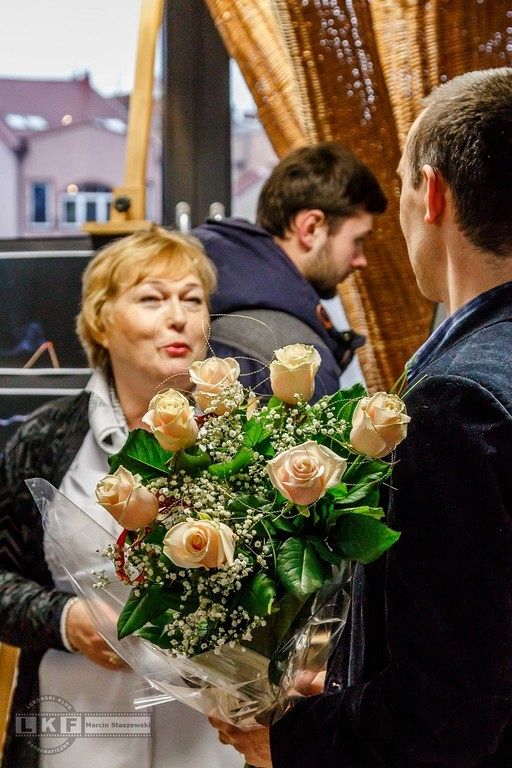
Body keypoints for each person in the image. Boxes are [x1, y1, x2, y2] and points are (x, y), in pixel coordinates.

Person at [210, 67, 512, 767]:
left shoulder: (455, 403)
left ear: (432, 193)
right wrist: (355, 670)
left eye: (403, 183)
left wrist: (290, 739)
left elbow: (447, 710)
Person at [0, 227, 240, 768]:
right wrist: (66, 619)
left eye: (192, 299)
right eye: (152, 298)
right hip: (76, 734)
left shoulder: (244, 440)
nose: (178, 317)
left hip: (209, 742)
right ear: (101, 320)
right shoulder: (45, 441)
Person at [193, 141, 387, 398]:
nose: (361, 260)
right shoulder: (298, 363)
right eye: (358, 240)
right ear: (311, 228)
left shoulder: (199, 289)